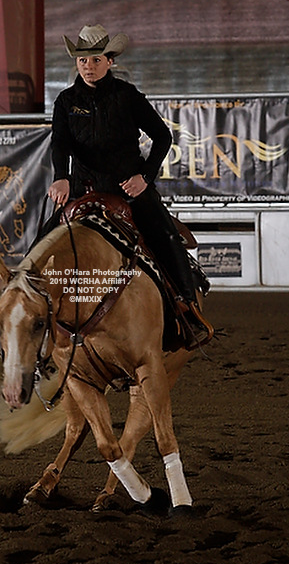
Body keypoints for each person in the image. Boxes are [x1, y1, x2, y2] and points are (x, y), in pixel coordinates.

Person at [48, 24, 213, 349]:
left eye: (96, 60)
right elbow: (60, 143)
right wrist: (60, 176)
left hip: (128, 189)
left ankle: (187, 308)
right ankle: (26, 308)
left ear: (109, 61)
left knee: (165, 235)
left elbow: (162, 136)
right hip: (82, 190)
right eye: (82, 61)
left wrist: (145, 177)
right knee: (44, 241)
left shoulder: (127, 96)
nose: (88, 66)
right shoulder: (66, 101)